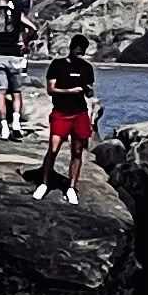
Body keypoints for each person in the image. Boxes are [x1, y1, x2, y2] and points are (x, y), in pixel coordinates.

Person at [40, 38, 98, 200]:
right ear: (71, 47)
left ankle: (71, 187)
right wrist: (70, 91)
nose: (80, 51)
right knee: (53, 148)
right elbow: (51, 90)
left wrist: (88, 92)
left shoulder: (87, 68)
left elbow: (89, 91)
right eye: (77, 48)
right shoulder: (58, 65)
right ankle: (44, 183)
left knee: (77, 150)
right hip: (61, 112)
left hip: (79, 113)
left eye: (83, 49)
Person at [0, 0, 35, 137]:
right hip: (15, 55)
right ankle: (16, 123)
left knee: (0, 93)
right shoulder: (16, 14)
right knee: (16, 92)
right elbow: (33, 27)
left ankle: (4, 127)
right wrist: (25, 42)